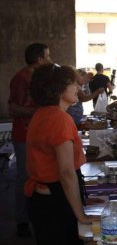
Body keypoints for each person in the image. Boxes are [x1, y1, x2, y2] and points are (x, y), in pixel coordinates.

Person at [25, 63, 98, 244]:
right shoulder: (59, 118)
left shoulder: (42, 113)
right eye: (73, 83)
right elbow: (66, 173)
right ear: (58, 89)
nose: (78, 87)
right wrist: (80, 215)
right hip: (54, 201)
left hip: (42, 198)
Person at [8, 42, 50, 237]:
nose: (49, 60)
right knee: (24, 177)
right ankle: (22, 220)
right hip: (23, 135)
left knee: (38, 175)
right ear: (39, 59)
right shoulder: (21, 78)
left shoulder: (38, 78)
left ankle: (35, 215)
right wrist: (39, 112)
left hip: (38, 134)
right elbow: (13, 108)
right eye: (47, 57)